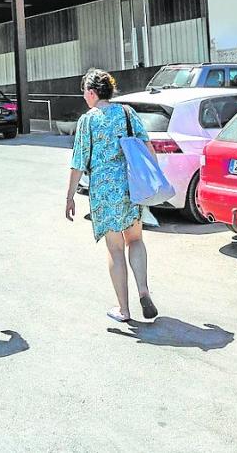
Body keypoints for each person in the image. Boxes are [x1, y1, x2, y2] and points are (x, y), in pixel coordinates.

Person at [64, 69, 159, 323]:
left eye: (85, 91)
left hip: (104, 193)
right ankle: (143, 289)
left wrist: (70, 197)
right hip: (131, 188)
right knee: (136, 240)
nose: (84, 96)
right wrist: (152, 181)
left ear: (92, 93)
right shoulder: (128, 112)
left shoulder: (88, 120)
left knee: (115, 250)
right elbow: (147, 148)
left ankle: (124, 309)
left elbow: (78, 162)